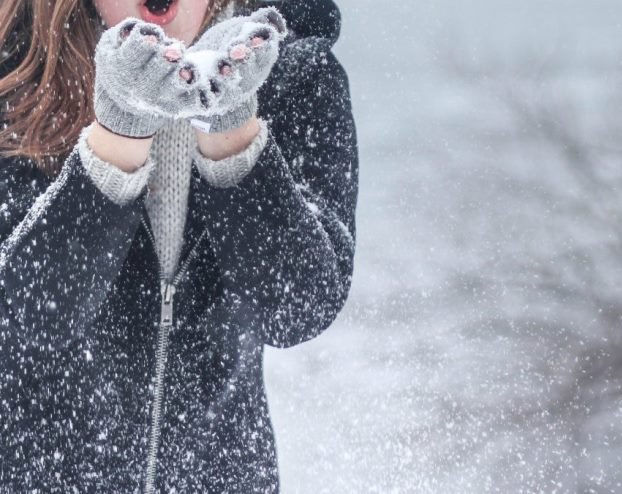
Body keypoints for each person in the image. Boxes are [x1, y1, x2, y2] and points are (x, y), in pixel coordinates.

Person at [0, 0, 358, 491]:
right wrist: (118, 135)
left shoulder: (295, 74)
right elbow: (22, 319)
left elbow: (299, 307)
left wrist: (231, 128)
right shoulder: (15, 71)